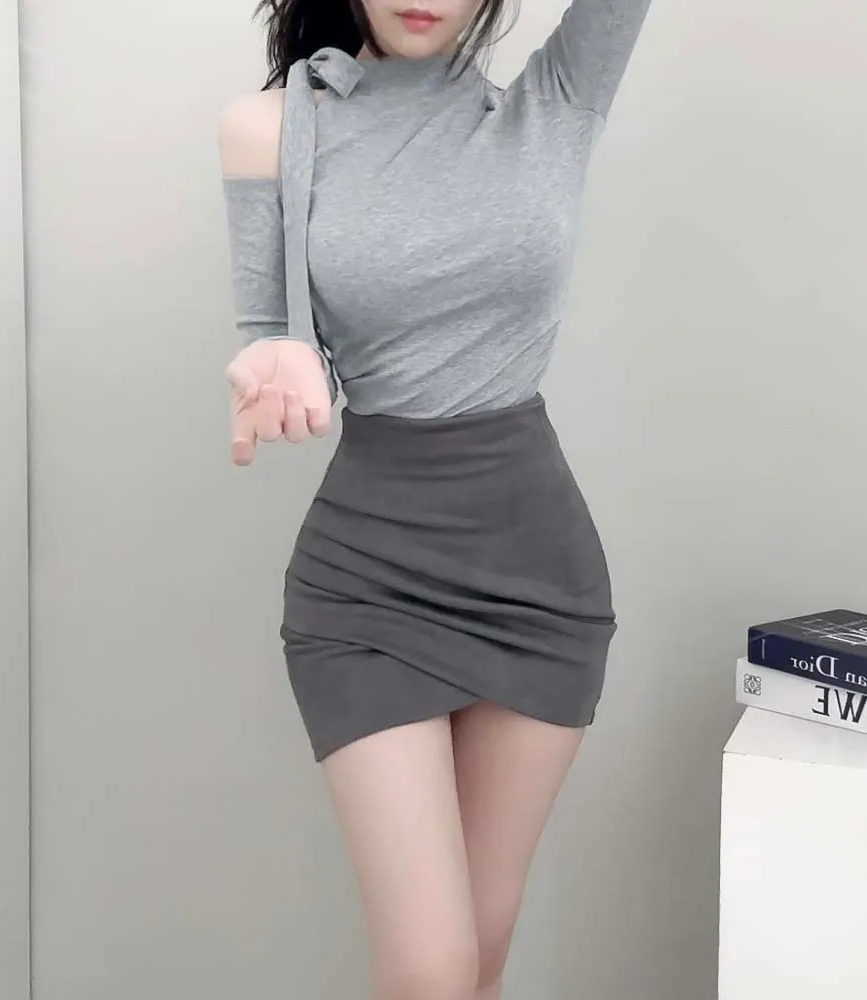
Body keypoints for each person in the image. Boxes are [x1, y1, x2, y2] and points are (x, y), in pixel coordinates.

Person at [218, 2, 651, 997]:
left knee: (479, 961)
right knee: (431, 968)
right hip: (366, 585)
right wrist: (279, 357)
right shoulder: (272, 126)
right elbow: (268, 334)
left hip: (537, 581)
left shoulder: (556, 102)